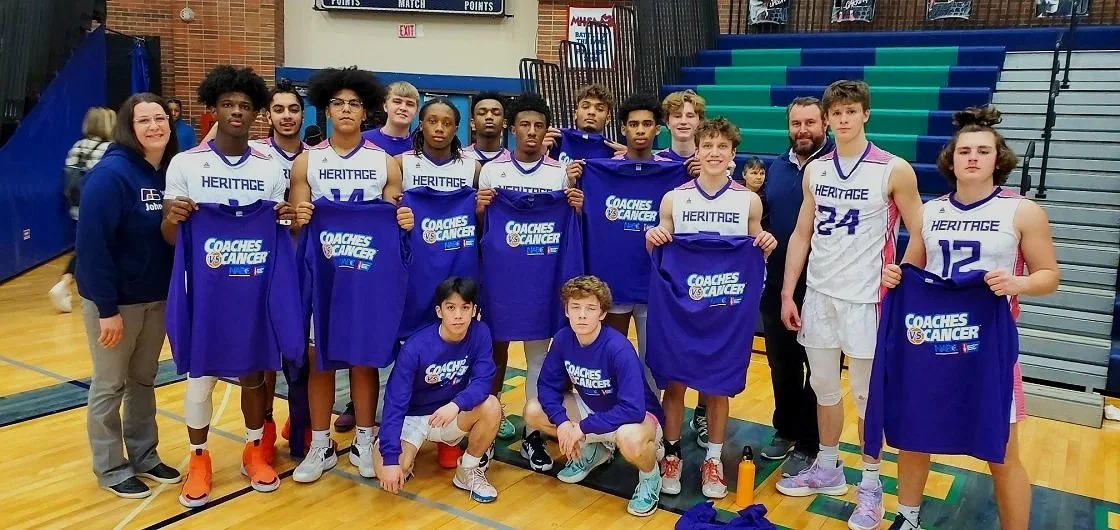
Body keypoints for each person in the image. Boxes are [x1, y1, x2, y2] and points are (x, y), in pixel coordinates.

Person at [879, 106, 1059, 530]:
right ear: (951, 159)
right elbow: (912, 269)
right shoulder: (931, 211)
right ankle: (907, 518)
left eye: (983, 151)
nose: (973, 157)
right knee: (915, 433)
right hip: (933, 340)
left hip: (989, 348)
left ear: (998, 159)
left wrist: (1019, 284)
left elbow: (1049, 276)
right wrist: (895, 274)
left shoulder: (1022, 211)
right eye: (965, 151)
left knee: (1002, 450)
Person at [775, 80, 924, 530]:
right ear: (827, 119)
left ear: (865, 115)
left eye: (850, 111)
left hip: (867, 300)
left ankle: (872, 487)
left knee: (866, 399)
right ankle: (828, 467)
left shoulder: (893, 169)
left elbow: (921, 232)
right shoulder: (816, 170)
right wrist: (788, 291)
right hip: (819, 295)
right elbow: (802, 234)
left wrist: (902, 269)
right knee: (823, 388)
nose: (842, 119)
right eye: (835, 112)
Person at [161, 65, 294, 507]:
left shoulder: (270, 167)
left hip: (254, 289)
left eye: (245, 106)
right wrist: (173, 218)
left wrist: (285, 220)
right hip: (206, 289)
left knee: (255, 375)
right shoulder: (186, 163)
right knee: (200, 378)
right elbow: (169, 236)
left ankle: (255, 450)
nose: (237, 112)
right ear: (213, 108)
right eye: (228, 104)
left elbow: (280, 228)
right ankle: (198, 457)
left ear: (256, 114)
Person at [289, 66, 415, 483]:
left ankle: (364, 438)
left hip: (366, 274)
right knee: (319, 360)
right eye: (338, 103)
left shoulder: (385, 163)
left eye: (354, 104)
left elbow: (394, 218)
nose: (346, 110)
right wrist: (298, 217)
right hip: (324, 275)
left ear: (366, 112)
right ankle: (320, 444)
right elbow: (296, 224)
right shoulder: (307, 161)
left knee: (363, 361)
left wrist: (404, 218)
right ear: (326, 110)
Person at [646, 117, 777, 499]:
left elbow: (757, 246)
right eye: (708, 146)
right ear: (697, 151)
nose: (714, 153)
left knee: (718, 387)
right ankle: (671, 455)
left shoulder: (748, 200)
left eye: (722, 147)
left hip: (725, 308)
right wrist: (653, 237)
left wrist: (765, 240)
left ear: (733, 154)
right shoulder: (674, 198)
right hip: (682, 307)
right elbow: (659, 246)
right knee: (675, 382)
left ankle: (713, 460)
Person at [76, 93, 181, 499]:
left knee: (143, 379)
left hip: (155, 299)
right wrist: (106, 310)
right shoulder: (111, 175)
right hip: (115, 304)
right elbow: (92, 247)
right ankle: (110, 466)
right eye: (144, 121)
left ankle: (144, 454)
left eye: (160, 118)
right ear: (128, 127)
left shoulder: (166, 172)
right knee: (109, 384)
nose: (154, 126)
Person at [475, 92, 583, 473]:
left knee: (540, 357)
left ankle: (532, 434)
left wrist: (575, 205)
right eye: (525, 125)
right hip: (501, 279)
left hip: (542, 279)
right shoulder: (491, 171)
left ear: (546, 131)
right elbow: (478, 225)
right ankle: (485, 429)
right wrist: (481, 206)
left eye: (539, 126)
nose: (532, 132)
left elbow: (573, 222)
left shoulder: (559, 173)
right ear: (512, 128)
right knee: (494, 353)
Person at [523, 276, 665, 517]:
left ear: (602, 313)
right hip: (596, 411)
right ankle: (597, 450)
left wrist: (582, 428)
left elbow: (633, 408)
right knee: (533, 411)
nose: (582, 315)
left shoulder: (617, 348)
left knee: (630, 439)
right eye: (575, 307)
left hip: (638, 419)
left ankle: (650, 477)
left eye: (590, 308)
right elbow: (547, 386)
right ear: (566, 311)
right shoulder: (563, 339)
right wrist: (564, 423)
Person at [374, 277, 502, 503]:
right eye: (450, 307)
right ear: (439, 311)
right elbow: (395, 402)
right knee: (391, 473)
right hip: (412, 418)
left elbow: (482, 381)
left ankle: (468, 471)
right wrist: (391, 459)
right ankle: (386, 442)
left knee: (491, 405)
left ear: (473, 311)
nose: (458, 315)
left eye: (465, 308)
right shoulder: (416, 347)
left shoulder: (480, 333)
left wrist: (456, 405)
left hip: (449, 415)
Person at [757, 97, 832, 479]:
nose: (803, 130)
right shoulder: (776, 168)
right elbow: (764, 218)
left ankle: (809, 441)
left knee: (819, 371)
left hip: (823, 286)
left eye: (810, 123)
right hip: (777, 286)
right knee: (782, 366)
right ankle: (785, 429)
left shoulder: (837, 169)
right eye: (796, 123)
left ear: (826, 125)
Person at [51, 106, 115, 313]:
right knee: (93, 249)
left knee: (85, 247)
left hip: (77, 207)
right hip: (98, 208)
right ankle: (67, 283)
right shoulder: (109, 149)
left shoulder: (77, 146)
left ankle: (68, 284)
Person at [400, 96, 481, 191]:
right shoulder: (402, 163)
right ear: (421, 125)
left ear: (456, 130)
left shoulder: (473, 167)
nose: (439, 128)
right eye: (432, 121)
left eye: (447, 123)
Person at [542, 83, 621, 167]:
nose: (591, 112)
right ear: (576, 114)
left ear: (608, 118)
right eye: (585, 107)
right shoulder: (555, 140)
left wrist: (629, 157)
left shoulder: (615, 153)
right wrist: (537, 151)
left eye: (599, 109)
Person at [361, 80, 419, 157]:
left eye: (410, 104)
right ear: (385, 106)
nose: (403, 108)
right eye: (397, 102)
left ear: (416, 111)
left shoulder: (420, 147)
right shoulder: (362, 140)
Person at [463, 91, 509, 165]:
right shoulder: (459, 158)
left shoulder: (512, 161)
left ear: (504, 123)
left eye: (496, 113)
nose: (489, 117)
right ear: (472, 123)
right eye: (482, 113)